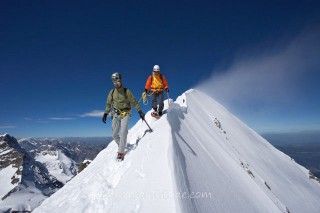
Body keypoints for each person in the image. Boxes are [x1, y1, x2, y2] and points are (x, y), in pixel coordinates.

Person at [102, 72, 145, 160]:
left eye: (117, 82)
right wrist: (106, 113)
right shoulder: (112, 92)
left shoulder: (127, 91)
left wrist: (140, 111)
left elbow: (134, 102)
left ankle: (121, 152)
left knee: (123, 132)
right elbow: (108, 104)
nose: (116, 84)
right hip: (116, 114)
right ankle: (121, 144)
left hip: (126, 113)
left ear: (120, 81)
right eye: (114, 83)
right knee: (114, 135)